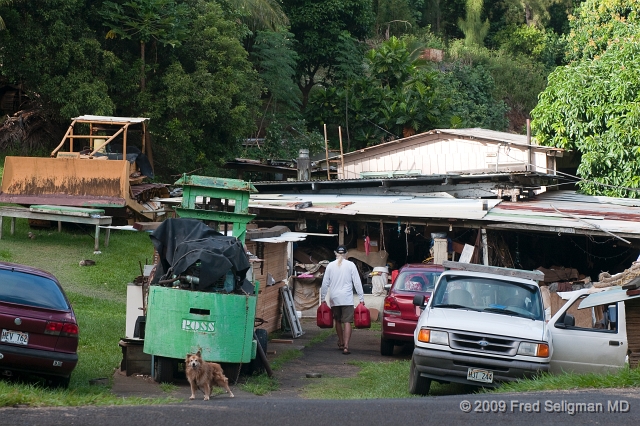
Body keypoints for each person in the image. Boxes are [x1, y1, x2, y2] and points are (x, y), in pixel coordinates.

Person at [320, 245, 365, 355]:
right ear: (346, 254)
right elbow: (357, 282)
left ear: (336, 253)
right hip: (347, 298)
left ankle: (340, 342)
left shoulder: (330, 266)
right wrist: (361, 298)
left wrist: (322, 298)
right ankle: (346, 346)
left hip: (334, 298)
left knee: (338, 321)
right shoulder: (351, 265)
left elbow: (325, 283)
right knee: (347, 322)